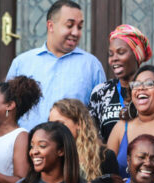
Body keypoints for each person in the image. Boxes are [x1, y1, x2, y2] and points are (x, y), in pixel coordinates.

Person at [6, 0, 105, 131]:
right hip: (28, 146)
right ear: (50, 26)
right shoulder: (22, 63)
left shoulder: (92, 66)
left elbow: (100, 115)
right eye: (69, 25)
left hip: (74, 148)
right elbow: (6, 109)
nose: (75, 32)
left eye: (80, 27)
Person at [48, 98, 119, 180]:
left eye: (59, 123)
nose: (54, 130)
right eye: (51, 125)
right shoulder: (49, 155)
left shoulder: (104, 156)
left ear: (79, 123)